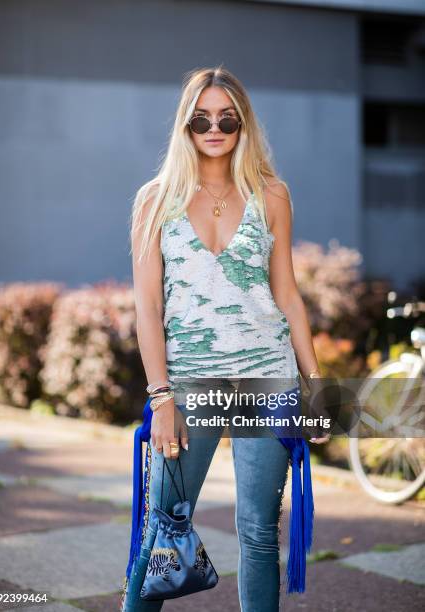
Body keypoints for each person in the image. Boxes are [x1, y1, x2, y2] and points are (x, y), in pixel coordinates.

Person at [121, 65, 330, 612]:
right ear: (185, 126)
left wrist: (320, 387)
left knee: (260, 535)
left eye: (227, 119)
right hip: (189, 383)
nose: (214, 128)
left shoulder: (272, 194)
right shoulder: (154, 201)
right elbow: (148, 306)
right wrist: (161, 395)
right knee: (162, 531)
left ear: (244, 125)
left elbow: (287, 294)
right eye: (201, 119)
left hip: (269, 377)